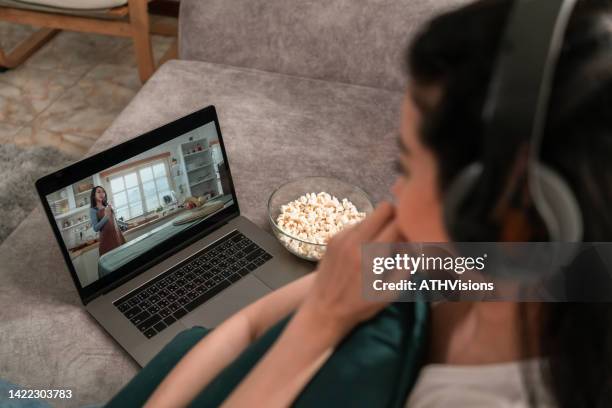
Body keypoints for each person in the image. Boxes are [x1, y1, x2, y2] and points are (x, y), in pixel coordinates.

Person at [114, 0, 612, 406]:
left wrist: (320, 323)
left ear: (501, 208)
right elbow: (245, 325)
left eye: (406, 168)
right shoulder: (469, 263)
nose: (393, 196)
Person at [89, 186, 127, 258]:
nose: (102, 193)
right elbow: (95, 228)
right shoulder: (93, 210)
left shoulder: (107, 206)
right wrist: (106, 216)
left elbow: (114, 220)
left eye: (103, 192)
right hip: (107, 241)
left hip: (117, 236)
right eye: (99, 192)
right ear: (94, 196)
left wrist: (125, 224)